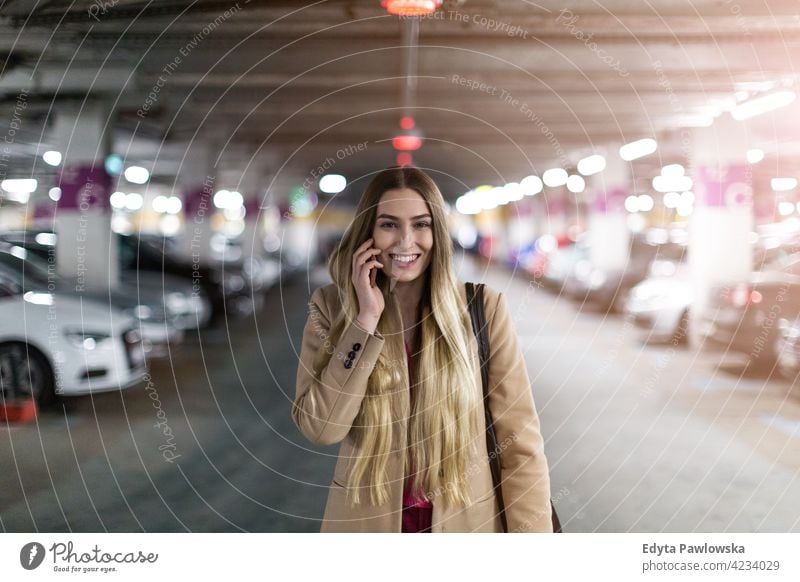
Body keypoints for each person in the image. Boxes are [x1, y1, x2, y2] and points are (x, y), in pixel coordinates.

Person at [292, 166, 553, 532]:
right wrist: (364, 321)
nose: (405, 241)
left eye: (421, 224)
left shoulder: (483, 309)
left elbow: (519, 444)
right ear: (367, 232)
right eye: (388, 225)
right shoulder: (331, 308)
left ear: (438, 232)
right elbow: (322, 428)